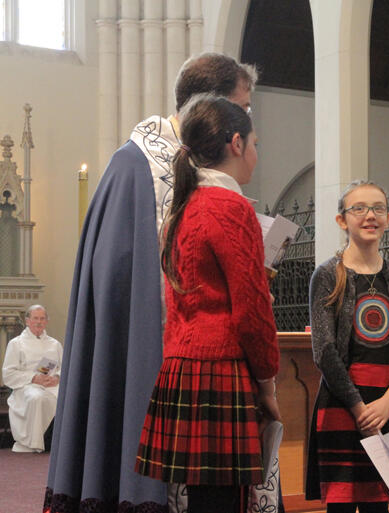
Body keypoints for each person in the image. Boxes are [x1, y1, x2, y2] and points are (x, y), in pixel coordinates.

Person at [45, 53, 258, 513]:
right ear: (213, 105)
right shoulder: (138, 164)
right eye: (243, 106)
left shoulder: (192, 168)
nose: (246, 119)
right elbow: (124, 285)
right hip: (172, 359)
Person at [133, 93, 279, 513]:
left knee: (202, 503)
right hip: (220, 368)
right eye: (254, 144)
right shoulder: (231, 207)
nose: (255, 153)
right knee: (222, 505)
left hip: (182, 365)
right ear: (236, 143)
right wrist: (267, 382)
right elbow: (252, 312)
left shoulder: (183, 206)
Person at [305, 180, 389, 513]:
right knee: (341, 506)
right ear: (342, 220)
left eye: (378, 208)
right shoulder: (327, 275)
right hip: (343, 406)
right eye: (359, 209)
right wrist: (360, 407)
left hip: (388, 405)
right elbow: (324, 351)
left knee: (379, 505)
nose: (370, 216)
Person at [2, 305, 62, 453]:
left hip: (52, 385)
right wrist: (34, 378)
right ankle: (35, 442)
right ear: (27, 321)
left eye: (42, 318)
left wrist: (57, 378)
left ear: (47, 321)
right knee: (37, 398)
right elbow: (8, 373)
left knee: (69, 397)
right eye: (35, 318)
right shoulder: (16, 343)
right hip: (27, 385)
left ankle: (61, 443)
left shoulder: (54, 344)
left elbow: (65, 367)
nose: (39, 322)